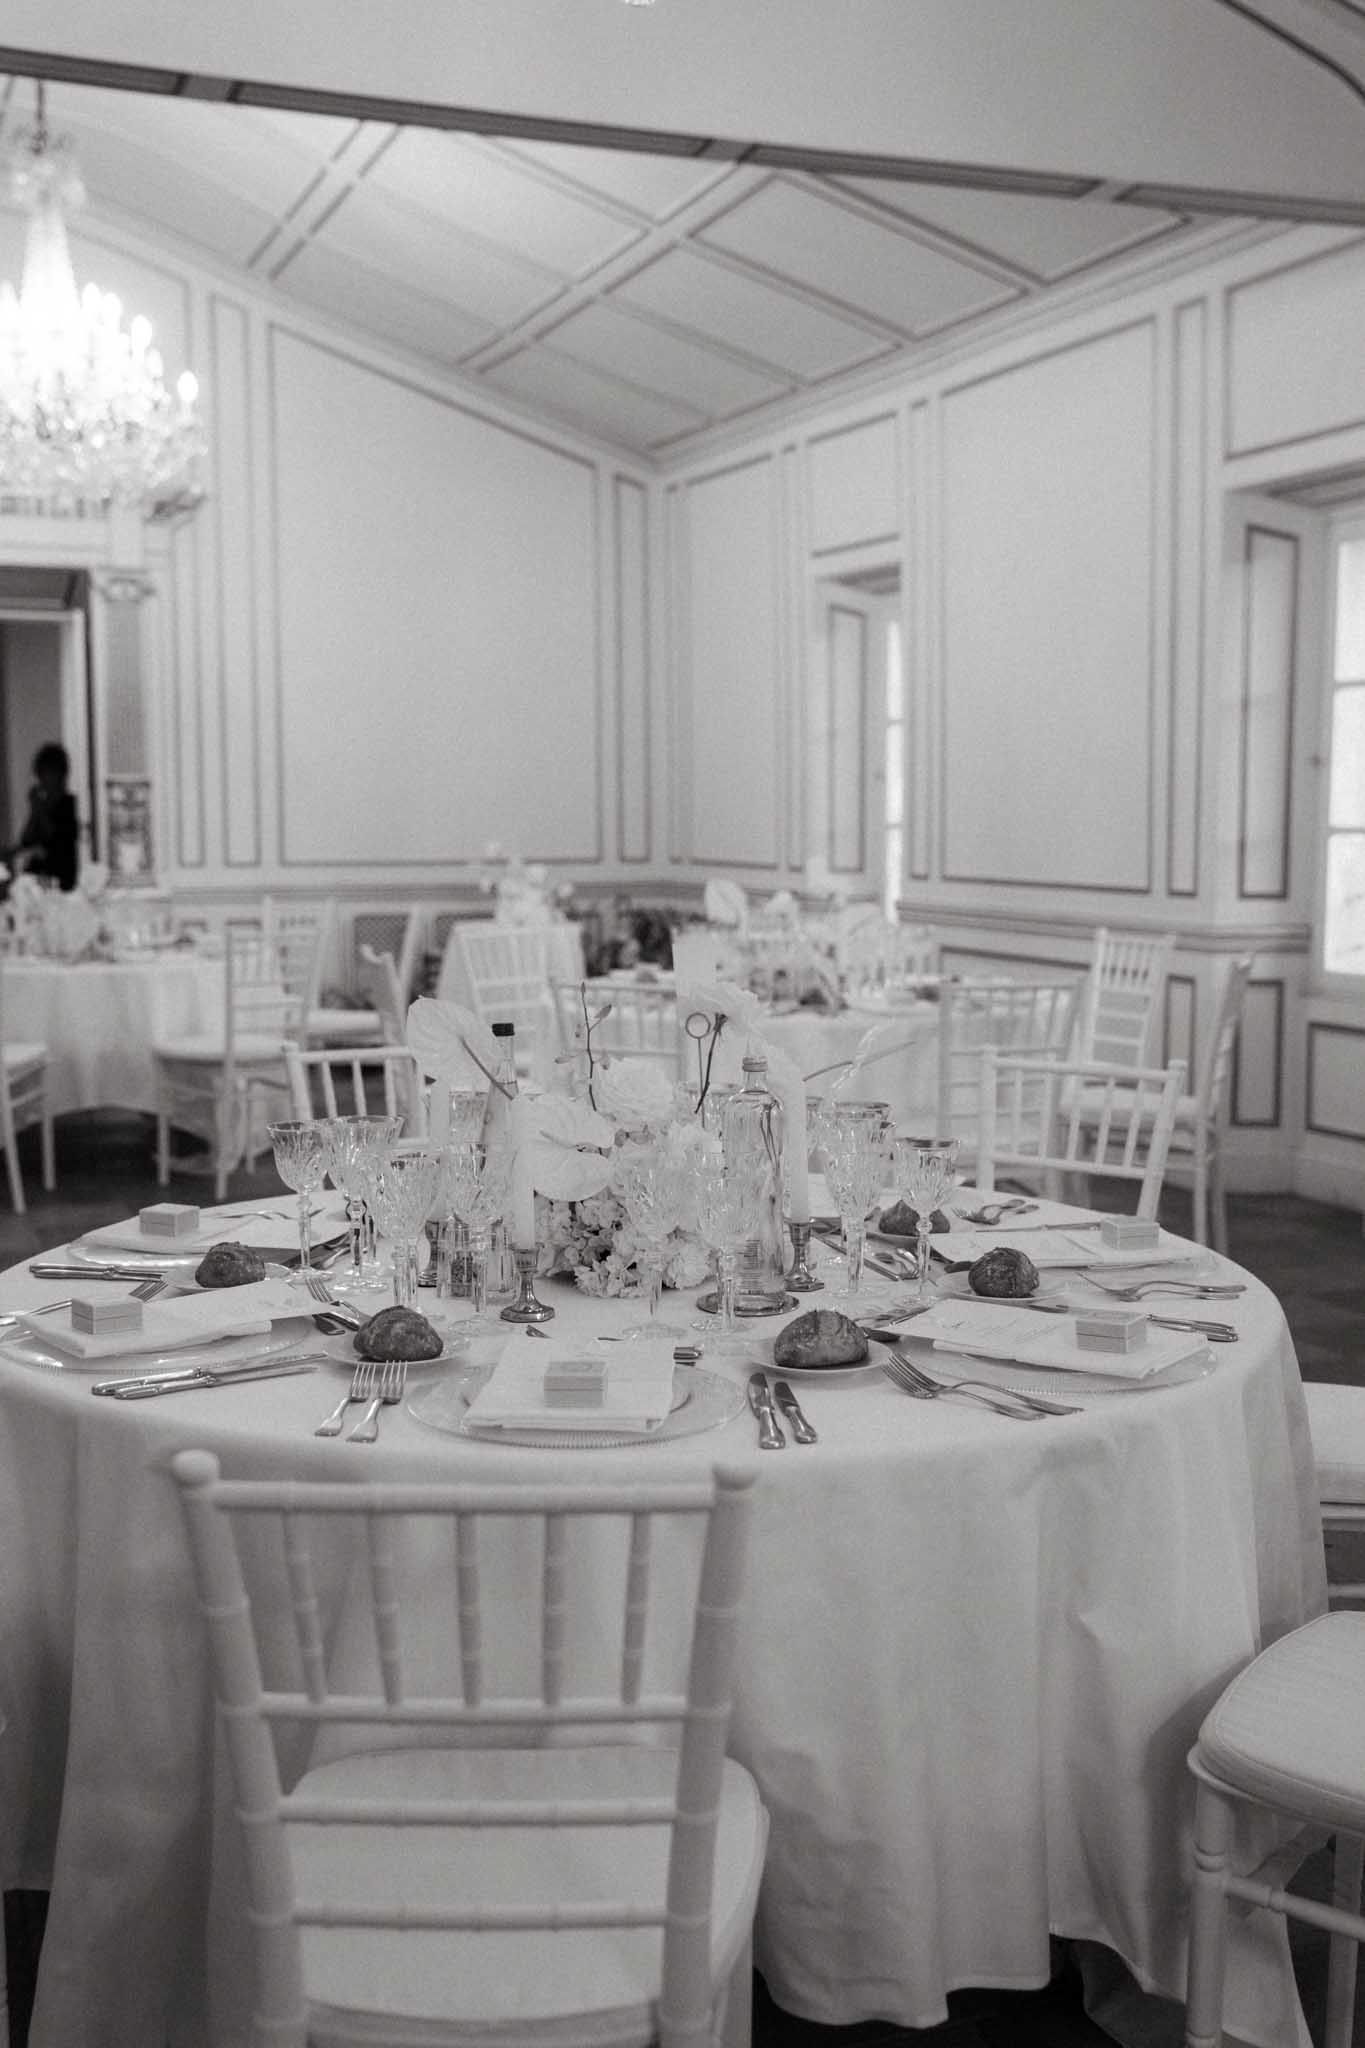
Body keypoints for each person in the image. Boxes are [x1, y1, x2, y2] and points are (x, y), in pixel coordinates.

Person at [8, 742, 79, 892]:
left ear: (59, 775)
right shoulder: (42, 806)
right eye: (39, 774)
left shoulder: (68, 804)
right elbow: (26, 840)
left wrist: (39, 809)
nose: (41, 780)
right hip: (36, 879)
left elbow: (56, 842)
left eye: (45, 773)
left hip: (59, 881)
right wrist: (35, 810)